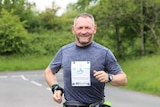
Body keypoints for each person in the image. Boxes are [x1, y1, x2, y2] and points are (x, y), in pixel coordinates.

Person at [44, 13, 127, 107]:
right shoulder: (64, 51)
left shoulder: (104, 53)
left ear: (94, 29)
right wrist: (55, 88)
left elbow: (123, 79)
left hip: (95, 104)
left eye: (87, 27)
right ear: (73, 29)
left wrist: (109, 77)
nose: (83, 32)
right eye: (80, 28)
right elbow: (49, 72)